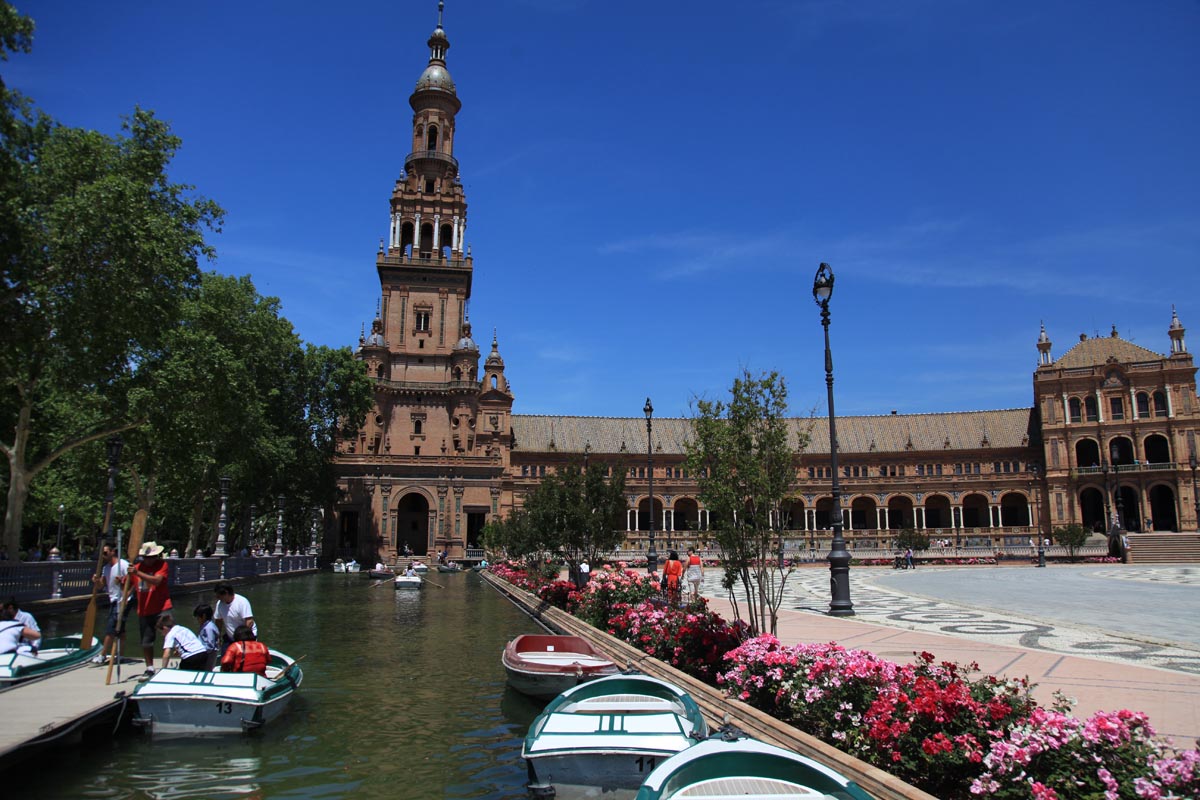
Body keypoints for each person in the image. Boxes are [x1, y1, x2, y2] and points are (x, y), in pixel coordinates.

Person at [130, 541, 172, 676]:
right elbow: (124, 585)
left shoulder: (162, 565)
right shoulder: (136, 567)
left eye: (152, 556)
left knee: (171, 634)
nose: (150, 559)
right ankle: (149, 667)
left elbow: (157, 581)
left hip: (162, 607)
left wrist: (138, 573)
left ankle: (172, 662)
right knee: (146, 641)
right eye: (147, 557)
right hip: (144, 609)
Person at [93, 542, 132, 663]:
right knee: (120, 629)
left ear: (112, 552)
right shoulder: (106, 568)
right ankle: (120, 654)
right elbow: (101, 586)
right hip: (113, 600)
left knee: (111, 627)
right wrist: (96, 581)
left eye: (105, 553)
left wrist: (126, 597)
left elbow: (133, 584)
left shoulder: (123, 565)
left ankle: (102, 655)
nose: (103, 556)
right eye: (102, 554)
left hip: (123, 600)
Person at [194, 603, 221, 667]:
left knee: (207, 669)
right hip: (205, 653)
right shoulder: (205, 626)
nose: (197, 620)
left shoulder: (209, 628)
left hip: (209, 654)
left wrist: (200, 652)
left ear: (203, 616)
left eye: (198, 618)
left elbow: (210, 645)